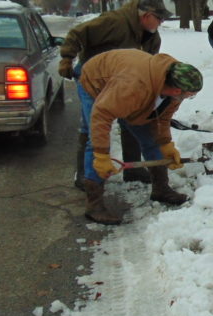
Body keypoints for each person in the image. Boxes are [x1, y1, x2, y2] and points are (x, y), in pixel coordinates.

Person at [59, 0, 175, 187]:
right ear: (146, 15)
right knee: (93, 128)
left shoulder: (153, 38)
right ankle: (87, 178)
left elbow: (150, 65)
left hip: (123, 83)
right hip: (93, 79)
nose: (161, 23)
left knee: (133, 121)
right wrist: (66, 59)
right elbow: (77, 34)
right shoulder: (113, 22)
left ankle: (134, 169)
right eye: (159, 18)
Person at [79, 50, 203, 225]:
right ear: (176, 89)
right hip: (95, 81)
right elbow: (102, 115)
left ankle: (161, 188)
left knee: (152, 141)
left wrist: (166, 144)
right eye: (190, 95)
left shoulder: (176, 80)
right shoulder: (133, 87)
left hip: (129, 90)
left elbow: (162, 116)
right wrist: (101, 155)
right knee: (96, 143)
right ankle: (94, 205)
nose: (189, 97)